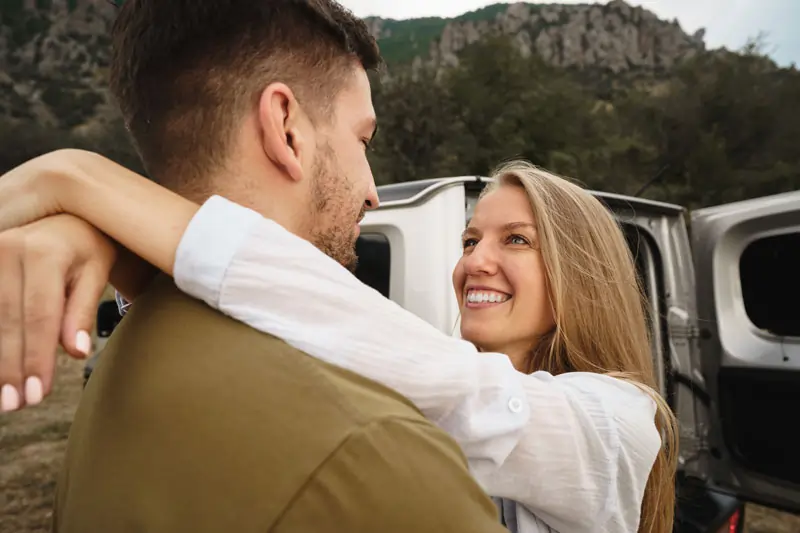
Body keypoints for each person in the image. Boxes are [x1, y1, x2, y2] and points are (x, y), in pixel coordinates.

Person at [0, 1, 514, 532]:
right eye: (363, 140)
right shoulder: (373, 451)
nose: (372, 192)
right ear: (286, 127)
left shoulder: (119, 367)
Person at [0, 151, 679, 532]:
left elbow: (377, 342)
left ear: (581, 275)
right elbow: (278, 356)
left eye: (516, 240)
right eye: (470, 239)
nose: (475, 261)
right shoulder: (427, 373)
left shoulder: (620, 418)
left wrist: (75, 181)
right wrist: (114, 254)